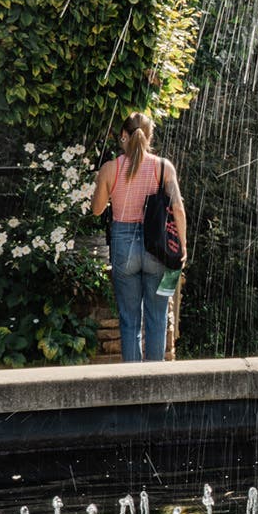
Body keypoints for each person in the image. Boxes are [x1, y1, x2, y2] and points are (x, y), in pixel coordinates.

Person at [90, 111, 186, 363]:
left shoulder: (111, 168)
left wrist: (101, 183)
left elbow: (97, 209)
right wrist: (182, 249)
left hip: (123, 246)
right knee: (156, 317)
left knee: (129, 320)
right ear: (150, 135)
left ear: (123, 135)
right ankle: (155, 383)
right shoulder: (163, 167)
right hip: (156, 246)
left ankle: (131, 385)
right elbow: (177, 208)